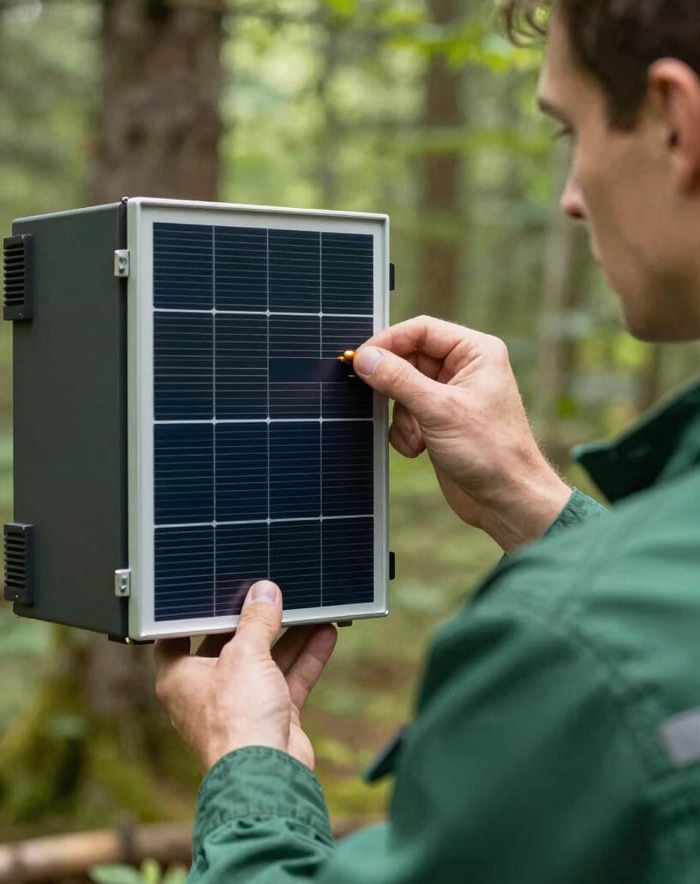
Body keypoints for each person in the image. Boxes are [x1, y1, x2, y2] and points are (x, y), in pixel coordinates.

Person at [154, 0, 700, 879]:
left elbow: (638, 645)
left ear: (677, 123)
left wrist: (248, 770)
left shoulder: (572, 646)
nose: (569, 196)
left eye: (571, 132)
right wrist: (531, 500)